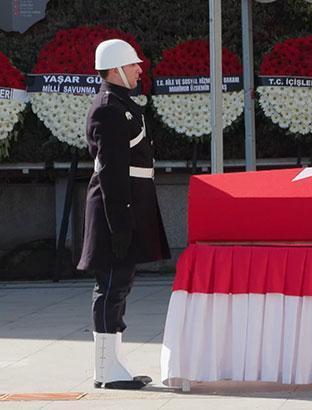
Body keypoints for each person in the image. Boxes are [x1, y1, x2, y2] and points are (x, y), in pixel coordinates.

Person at [77, 39, 170, 390]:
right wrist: (120, 224)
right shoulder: (108, 109)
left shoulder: (121, 105)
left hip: (127, 205)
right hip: (115, 208)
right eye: (133, 64)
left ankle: (112, 365)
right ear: (116, 69)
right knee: (111, 286)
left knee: (120, 284)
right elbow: (111, 171)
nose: (139, 69)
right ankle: (105, 369)